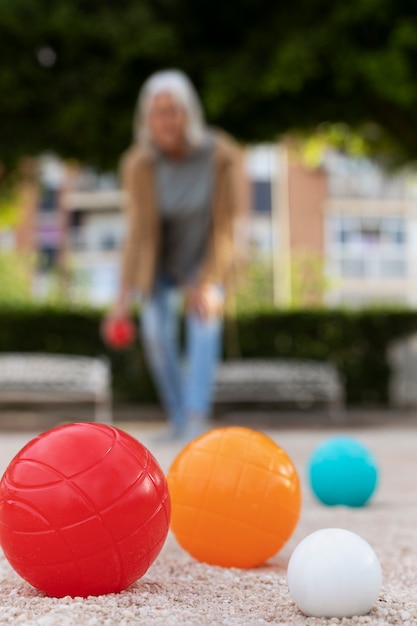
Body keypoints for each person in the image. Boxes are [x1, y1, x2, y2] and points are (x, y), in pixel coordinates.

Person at [109, 69, 245, 441]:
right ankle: (178, 419)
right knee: (155, 334)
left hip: (206, 261)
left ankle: (197, 419)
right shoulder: (139, 164)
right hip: (160, 266)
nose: (165, 120)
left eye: (173, 110)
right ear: (146, 119)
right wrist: (121, 301)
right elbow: (136, 232)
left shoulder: (221, 155)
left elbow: (229, 224)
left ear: (189, 113)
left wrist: (208, 280)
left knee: (205, 323)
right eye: (156, 112)